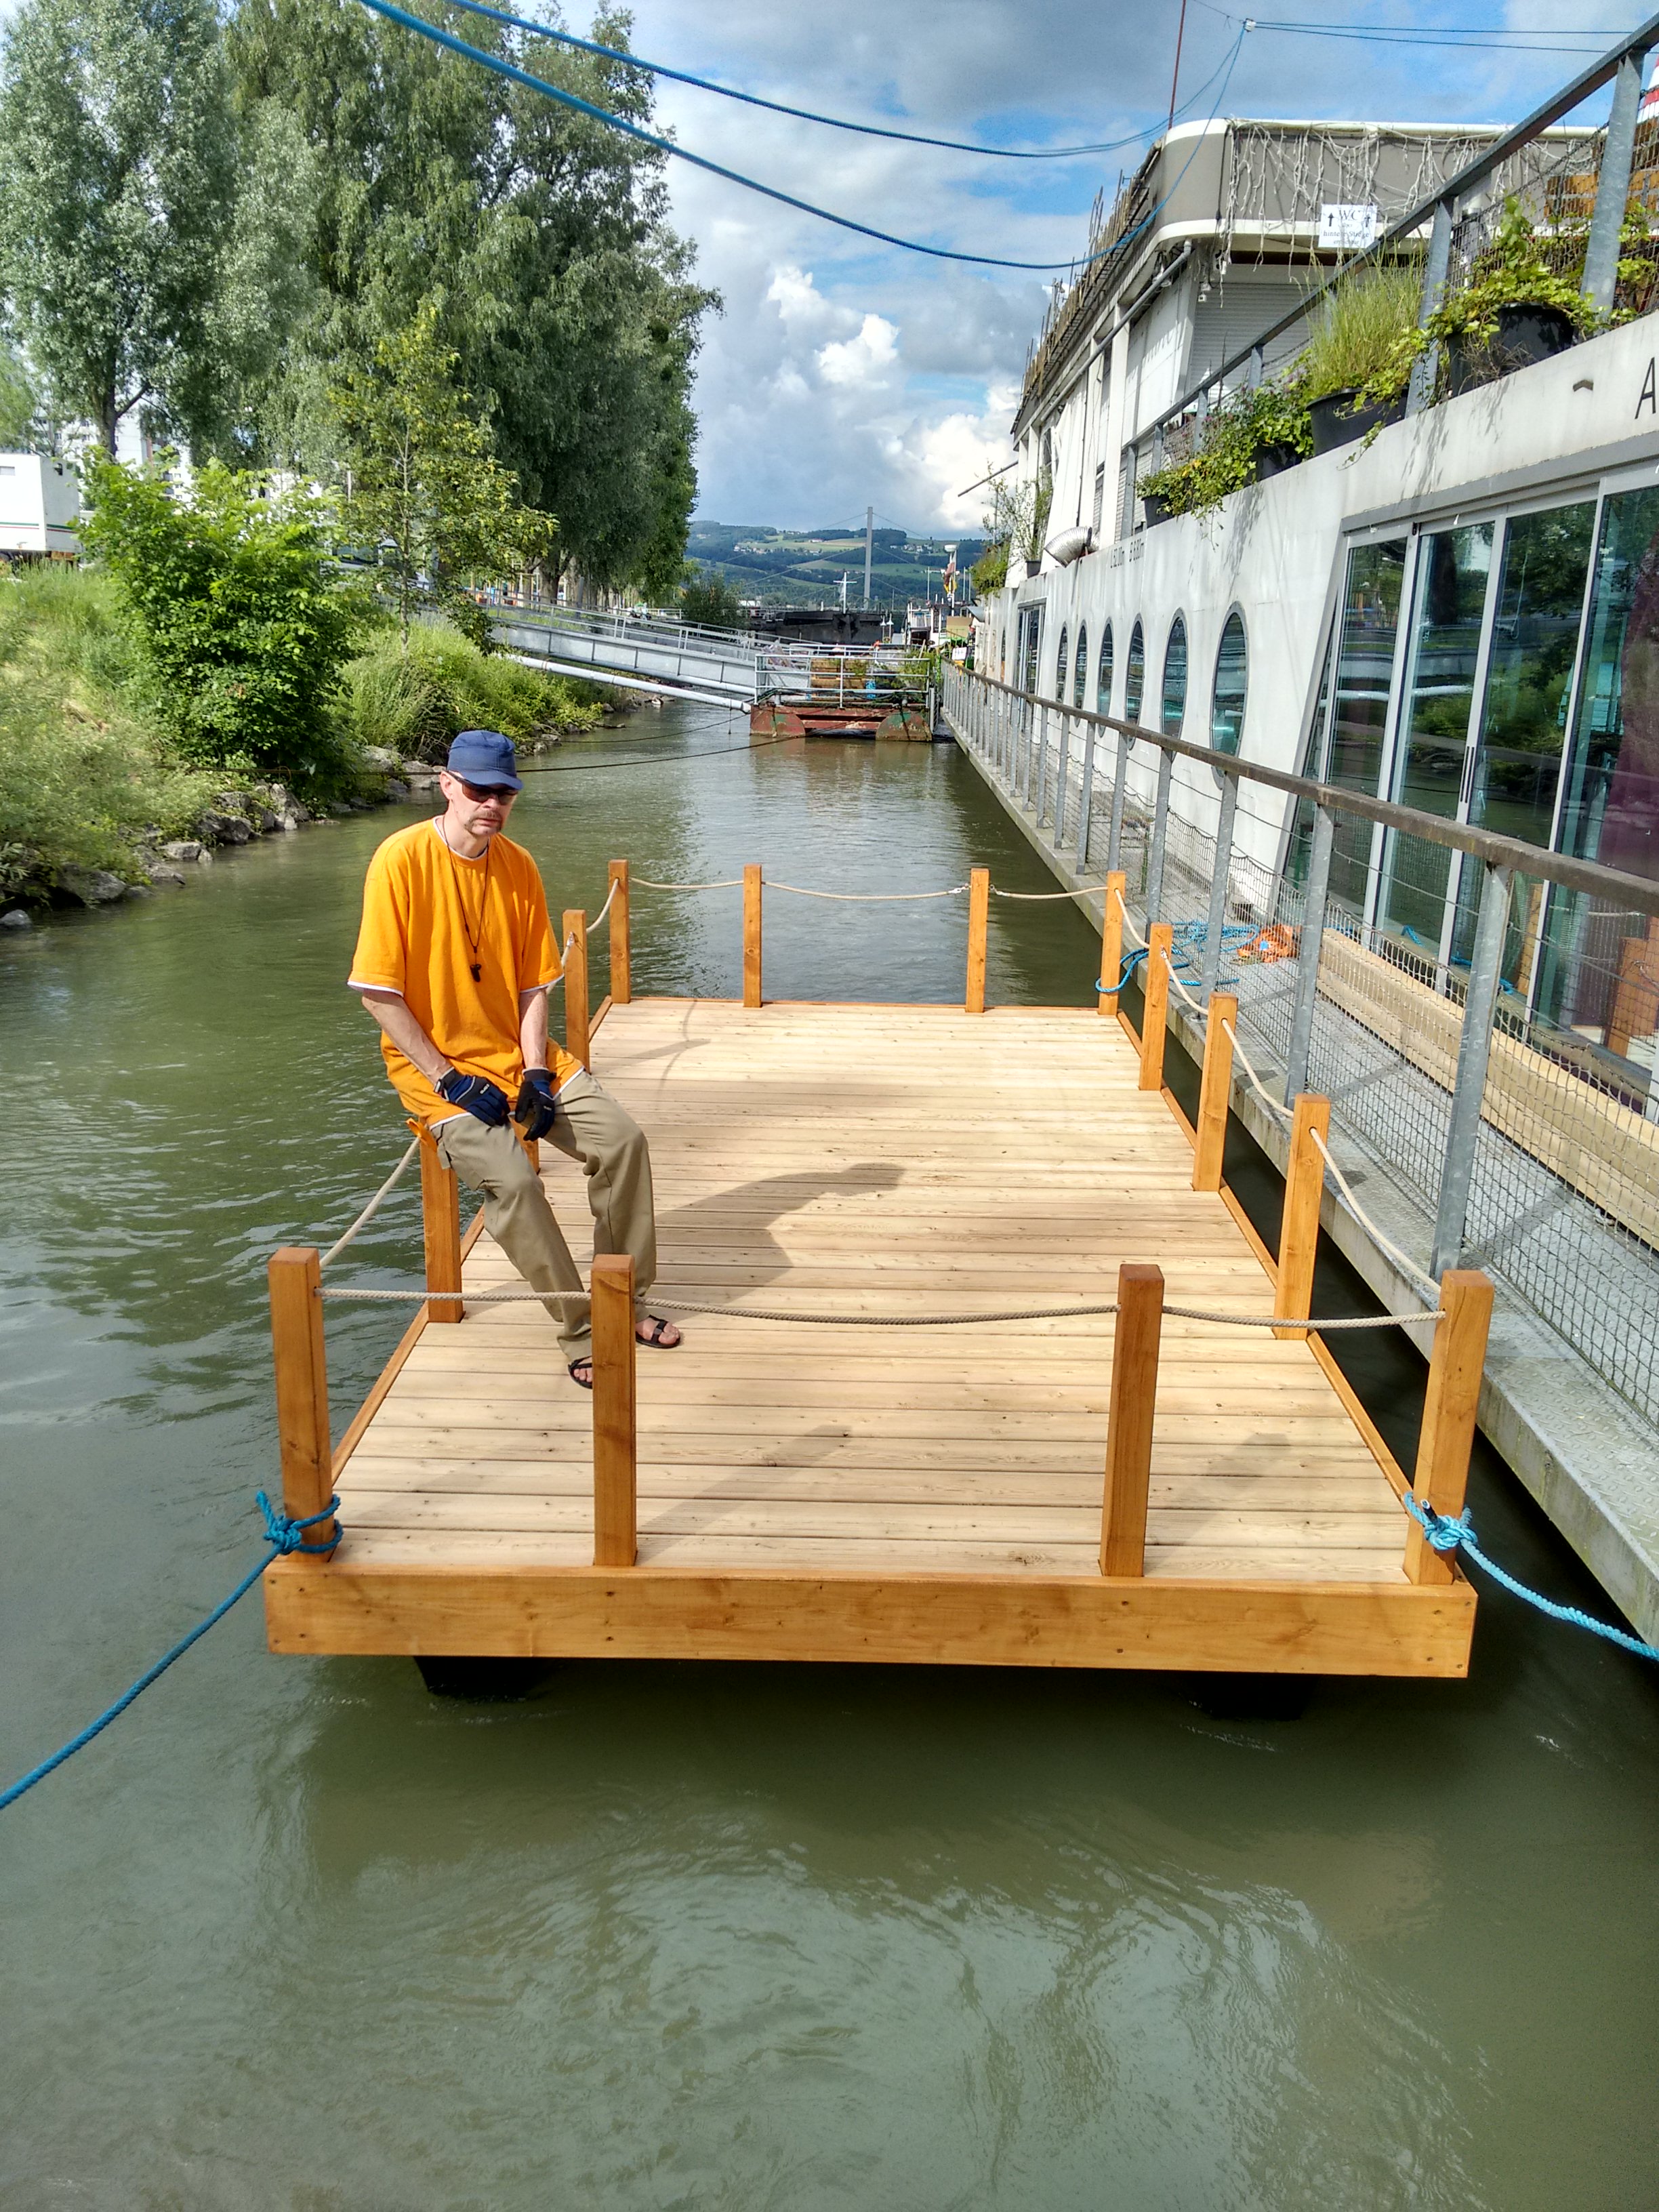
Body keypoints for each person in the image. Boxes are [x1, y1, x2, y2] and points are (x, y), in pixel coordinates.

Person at [347, 727, 680, 1387]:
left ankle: (626, 1301)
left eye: (504, 794)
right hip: (434, 1072)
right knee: (518, 1184)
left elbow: (533, 987)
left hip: (519, 1053)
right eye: (479, 791)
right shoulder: (400, 860)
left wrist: (535, 1071)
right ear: (446, 785)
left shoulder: (519, 865)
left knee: (624, 1143)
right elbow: (378, 994)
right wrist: (449, 1079)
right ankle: (579, 1328)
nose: (491, 805)